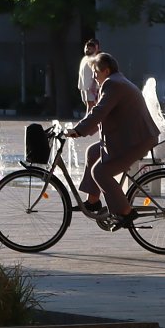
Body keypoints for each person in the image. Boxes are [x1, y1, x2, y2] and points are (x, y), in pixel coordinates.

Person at [66, 51, 159, 229]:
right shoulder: (116, 81)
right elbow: (102, 116)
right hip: (129, 137)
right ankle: (93, 201)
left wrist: (78, 130)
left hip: (136, 141)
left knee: (100, 172)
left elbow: (99, 111)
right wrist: (81, 130)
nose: (93, 77)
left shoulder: (112, 84)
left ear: (106, 71)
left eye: (95, 72)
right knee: (93, 152)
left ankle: (125, 211)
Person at [77, 38, 102, 113]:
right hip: (88, 87)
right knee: (90, 107)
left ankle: (89, 124)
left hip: (88, 87)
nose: (88, 49)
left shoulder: (90, 59)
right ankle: (90, 124)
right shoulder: (89, 59)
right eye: (87, 47)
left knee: (90, 107)